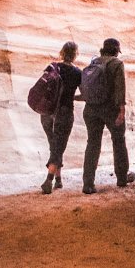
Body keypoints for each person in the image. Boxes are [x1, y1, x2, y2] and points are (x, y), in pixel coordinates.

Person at [80, 36, 134, 193]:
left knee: (92, 144)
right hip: (110, 109)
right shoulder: (116, 64)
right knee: (118, 142)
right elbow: (120, 88)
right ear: (116, 50)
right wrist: (121, 111)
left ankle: (88, 184)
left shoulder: (94, 62)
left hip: (90, 109)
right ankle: (122, 178)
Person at [32, 41, 83, 195]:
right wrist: (73, 97)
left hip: (47, 111)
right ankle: (49, 179)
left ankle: (58, 180)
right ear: (75, 54)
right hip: (65, 111)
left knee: (53, 145)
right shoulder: (77, 73)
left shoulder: (53, 67)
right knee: (59, 146)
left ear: (62, 52)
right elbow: (85, 94)